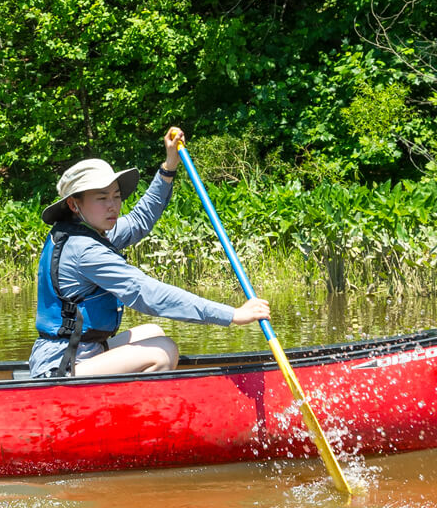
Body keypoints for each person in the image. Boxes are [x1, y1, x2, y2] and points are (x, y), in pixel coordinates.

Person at [30, 127, 270, 378]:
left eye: (116, 196)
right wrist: (232, 315)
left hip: (85, 351)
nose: (113, 206)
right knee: (162, 351)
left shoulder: (90, 232)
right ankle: (132, 415)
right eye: (102, 198)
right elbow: (148, 293)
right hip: (61, 364)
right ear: (73, 204)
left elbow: (140, 220)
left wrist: (168, 167)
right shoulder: (85, 250)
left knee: (153, 332)